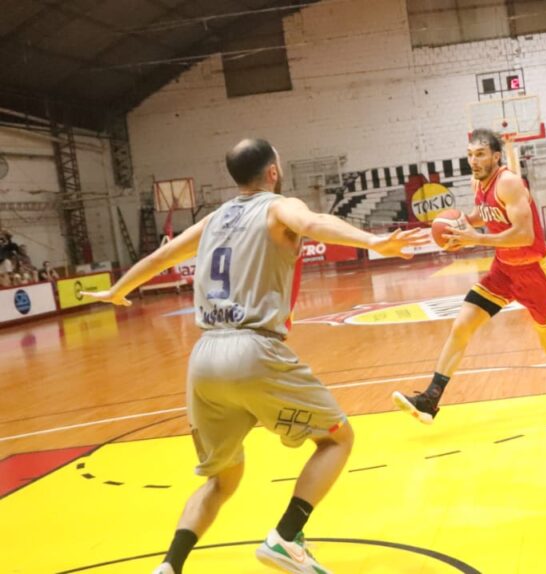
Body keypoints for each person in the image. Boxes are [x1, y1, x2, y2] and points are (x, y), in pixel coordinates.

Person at [86, 138, 428, 574]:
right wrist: (374, 241)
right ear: (272, 171)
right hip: (253, 349)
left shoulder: (212, 220)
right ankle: (286, 537)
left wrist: (119, 291)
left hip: (204, 359)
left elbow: (161, 256)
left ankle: (169, 566)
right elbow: (314, 220)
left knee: (222, 479)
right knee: (337, 438)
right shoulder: (278, 207)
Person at [392, 129, 546, 424]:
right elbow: (485, 214)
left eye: (480, 154)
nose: (474, 160)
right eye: (470, 154)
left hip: (534, 272)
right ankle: (431, 398)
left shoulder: (509, 182)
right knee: (462, 326)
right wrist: (458, 225)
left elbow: (524, 234)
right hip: (503, 271)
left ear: (496, 156)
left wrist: (476, 240)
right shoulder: (476, 183)